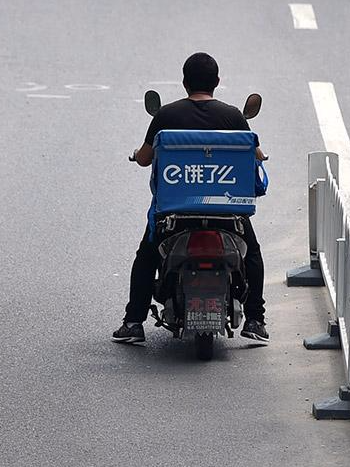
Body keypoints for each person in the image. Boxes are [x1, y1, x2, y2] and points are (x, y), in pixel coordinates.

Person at [112, 52, 269, 344]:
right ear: (217, 82)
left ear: (184, 82)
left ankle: (133, 322)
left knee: (146, 257)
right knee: (254, 253)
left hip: (174, 213)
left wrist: (136, 154)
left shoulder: (166, 115)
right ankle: (255, 320)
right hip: (227, 212)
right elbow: (256, 154)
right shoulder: (233, 116)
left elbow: (145, 158)